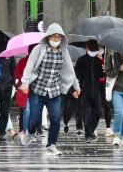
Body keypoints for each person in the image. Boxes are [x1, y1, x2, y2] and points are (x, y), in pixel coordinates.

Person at [19, 23, 80, 156]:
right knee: (34, 119)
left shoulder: (63, 52)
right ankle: (29, 132)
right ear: (48, 37)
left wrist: (76, 86)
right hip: (38, 90)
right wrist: (25, 83)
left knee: (56, 118)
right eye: (54, 36)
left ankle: (51, 145)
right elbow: (29, 67)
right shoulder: (38, 49)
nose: (56, 39)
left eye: (59, 37)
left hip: (54, 91)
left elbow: (70, 69)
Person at [75, 40, 106, 143]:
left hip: (96, 91)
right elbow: (77, 76)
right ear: (86, 49)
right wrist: (76, 89)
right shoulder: (81, 60)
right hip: (84, 91)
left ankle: (91, 130)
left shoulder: (98, 62)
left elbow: (101, 76)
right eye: (91, 49)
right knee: (86, 114)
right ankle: (88, 134)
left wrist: (103, 69)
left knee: (98, 113)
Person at [105, 50, 123, 147]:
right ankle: (116, 136)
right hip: (116, 90)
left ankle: (122, 137)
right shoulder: (112, 57)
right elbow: (108, 73)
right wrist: (120, 68)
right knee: (119, 112)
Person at [96, 44, 113, 136]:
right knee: (96, 106)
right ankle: (93, 127)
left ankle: (108, 127)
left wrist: (105, 69)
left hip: (105, 84)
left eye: (102, 48)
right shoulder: (93, 59)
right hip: (95, 84)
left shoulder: (107, 59)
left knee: (106, 105)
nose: (100, 49)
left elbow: (110, 72)